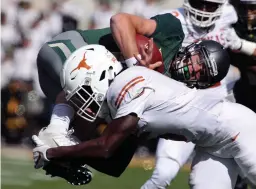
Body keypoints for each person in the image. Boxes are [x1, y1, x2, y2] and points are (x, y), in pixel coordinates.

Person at [33, 41, 256, 189]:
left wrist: (54, 152)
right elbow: (114, 162)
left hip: (238, 129)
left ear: (101, 75)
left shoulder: (127, 85)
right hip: (212, 146)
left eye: (84, 91)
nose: (85, 101)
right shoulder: (128, 93)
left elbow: (105, 147)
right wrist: (67, 159)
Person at [140, 0, 243, 188]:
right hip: (184, 110)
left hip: (218, 110)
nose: (203, 11)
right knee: (163, 174)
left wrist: (240, 44)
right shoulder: (172, 20)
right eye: (199, 3)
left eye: (210, 6)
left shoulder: (229, 14)